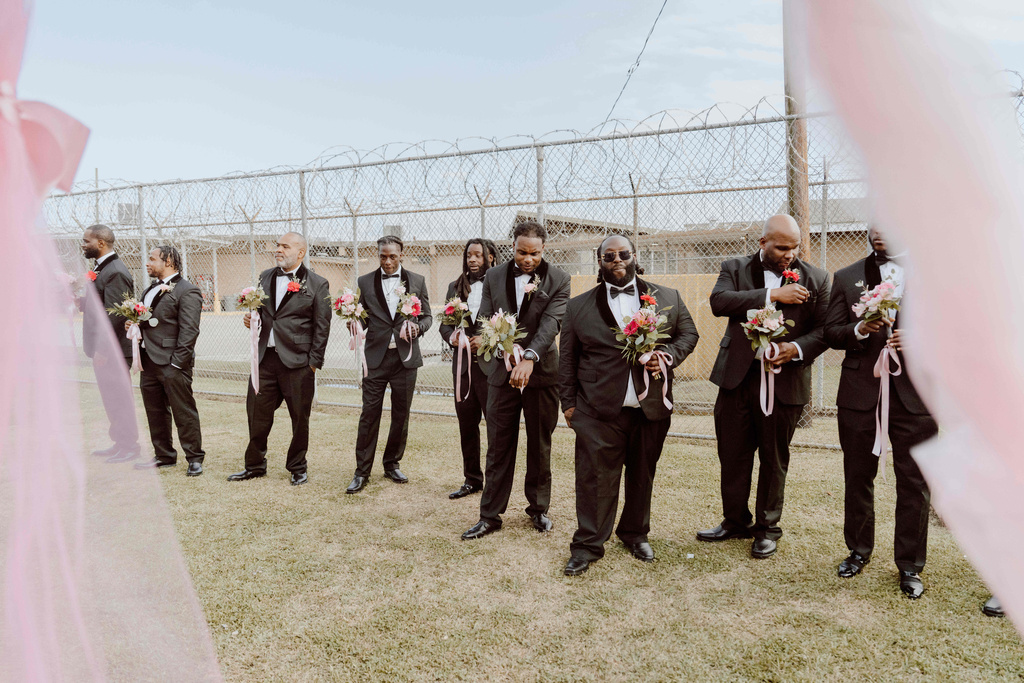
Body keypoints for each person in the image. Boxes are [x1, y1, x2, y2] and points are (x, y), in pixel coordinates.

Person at [558, 235, 699, 576]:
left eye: (623, 254)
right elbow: (567, 359)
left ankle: (635, 533)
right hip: (596, 409)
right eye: (609, 256)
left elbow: (688, 335)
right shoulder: (579, 306)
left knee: (641, 474)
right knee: (594, 479)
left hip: (650, 405)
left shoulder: (667, 297)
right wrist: (568, 405)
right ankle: (588, 544)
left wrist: (667, 356)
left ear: (635, 257)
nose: (617, 260)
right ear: (600, 262)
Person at [697, 214, 830, 559]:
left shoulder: (816, 278)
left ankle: (767, 528)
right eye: (782, 247)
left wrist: (795, 349)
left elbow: (825, 330)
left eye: (795, 247)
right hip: (737, 380)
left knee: (774, 457)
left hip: (785, 383)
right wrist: (773, 294)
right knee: (733, 453)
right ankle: (734, 521)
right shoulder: (734, 268)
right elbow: (719, 302)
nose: (789, 254)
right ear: (763, 243)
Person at [824, 225, 937, 599]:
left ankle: (909, 565)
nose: (880, 232)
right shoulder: (846, 277)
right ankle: (857, 551)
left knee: (915, 483)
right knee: (858, 476)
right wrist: (858, 328)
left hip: (916, 398)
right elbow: (831, 332)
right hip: (860, 393)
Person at [461, 221, 571, 540]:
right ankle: (490, 515)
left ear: (543, 250)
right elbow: (486, 316)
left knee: (540, 443)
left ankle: (538, 509)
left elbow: (551, 324)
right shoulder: (494, 276)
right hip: (500, 373)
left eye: (534, 253)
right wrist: (495, 345)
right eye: (522, 252)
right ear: (513, 246)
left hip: (541, 374)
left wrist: (528, 358)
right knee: (498, 445)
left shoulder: (559, 279)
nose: (527, 259)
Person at [230, 232, 331, 486]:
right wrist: (251, 321)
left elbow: (322, 326)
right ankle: (254, 465)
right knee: (256, 412)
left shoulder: (317, 284)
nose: (278, 250)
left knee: (299, 418)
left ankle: (297, 466)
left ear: (300, 253)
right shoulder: (265, 276)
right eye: (277, 245)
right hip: (265, 360)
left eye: (285, 246)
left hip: (298, 363)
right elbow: (264, 313)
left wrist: (313, 363)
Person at [346, 235, 433, 493]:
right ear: (378, 255)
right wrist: (353, 321)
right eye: (383, 256)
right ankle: (361, 472)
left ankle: (392, 463)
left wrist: (417, 328)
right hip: (374, 359)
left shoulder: (417, 281)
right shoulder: (364, 282)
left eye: (392, 256)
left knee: (401, 414)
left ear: (401, 255)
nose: (387, 261)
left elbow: (427, 316)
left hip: (405, 360)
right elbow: (361, 318)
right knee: (369, 414)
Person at [131, 245, 206, 476]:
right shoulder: (149, 290)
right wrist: (135, 326)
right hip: (149, 361)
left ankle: (194, 458)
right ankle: (164, 455)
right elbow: (152, 321)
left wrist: (177, 364)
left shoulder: (188, 290)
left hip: (172, 363)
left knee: (183, 411)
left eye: (152, 259)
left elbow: (189, 331)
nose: (148, 263)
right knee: (155, 411)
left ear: (169, 262)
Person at [438, 238, 499, 500]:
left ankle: (496, 483)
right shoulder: (455, 286)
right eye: (469, 256)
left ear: (491, 258)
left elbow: (509, 322)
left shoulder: (498, 285)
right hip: (463, 368)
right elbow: (444, 324)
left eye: (478, 255)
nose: (472, 260)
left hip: (492, 368)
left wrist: (487, 339)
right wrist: (453, 337)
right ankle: (472, 479)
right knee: (467, 423)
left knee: (495, 427)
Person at [80, 224, 140, 463]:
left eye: (86, 241)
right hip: (104, 350)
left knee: (119, 398)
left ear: (101, 243)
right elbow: (100, 306)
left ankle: (129, 446)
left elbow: (115, 315)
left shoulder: (115, 271)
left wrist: (103, 350)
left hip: (112, 351)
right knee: (110, 397)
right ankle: (119, 442)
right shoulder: (102, 269)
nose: (83, 245)